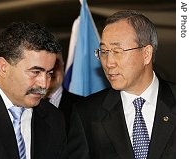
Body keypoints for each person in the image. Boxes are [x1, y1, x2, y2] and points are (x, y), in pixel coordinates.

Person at [67, 10, 176, 159]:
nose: (108, 63)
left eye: (117, 51)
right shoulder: (87, 113)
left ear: (146, 54)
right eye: (104, 51)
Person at [0, 21, 67, 159]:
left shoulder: (53, 118)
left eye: (49, 73)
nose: (44, 84)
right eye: (35, 72)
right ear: (3, 67)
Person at [44, 52, 84, 133]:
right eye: (45, 64)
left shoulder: (83, 105)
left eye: (56, 63)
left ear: (63, 65)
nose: (51, 70)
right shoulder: (21, 106)